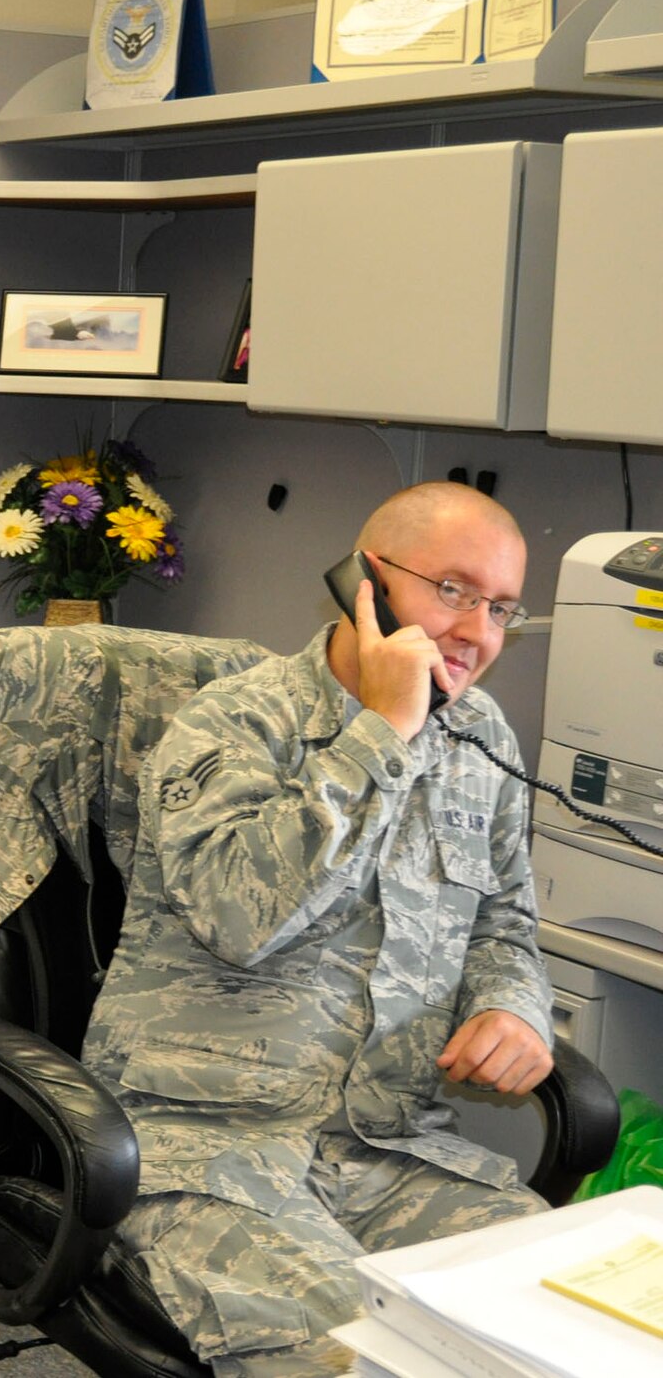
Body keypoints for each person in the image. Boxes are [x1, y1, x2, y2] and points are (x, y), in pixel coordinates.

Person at [81, 481, 552, 1377]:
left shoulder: (482, 736)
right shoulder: (235, 721)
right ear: (367, 583)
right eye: (452, 590)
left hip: (387, 1143)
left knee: (543, 1321)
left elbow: (504, 919)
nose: (477, 631)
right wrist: (381, 732)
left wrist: (513, 1006)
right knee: (368, 1358)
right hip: (206, 1147)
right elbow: (237, 917)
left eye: (500, 608)